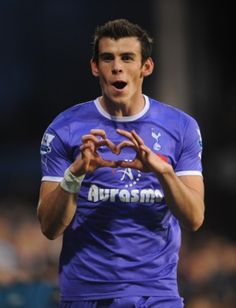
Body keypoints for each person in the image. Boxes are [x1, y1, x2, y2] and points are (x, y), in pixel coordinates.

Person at [37, 18, 205, 308]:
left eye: (127, 58)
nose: (117, 67)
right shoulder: (64, 128)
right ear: (95, 67)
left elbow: (194, 218)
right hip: (85, 295)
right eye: (107, 58)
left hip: (156, 295)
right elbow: (50, 228)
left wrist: (163, 171)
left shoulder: (181, 127)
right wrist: (75, 174)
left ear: (146, 67)